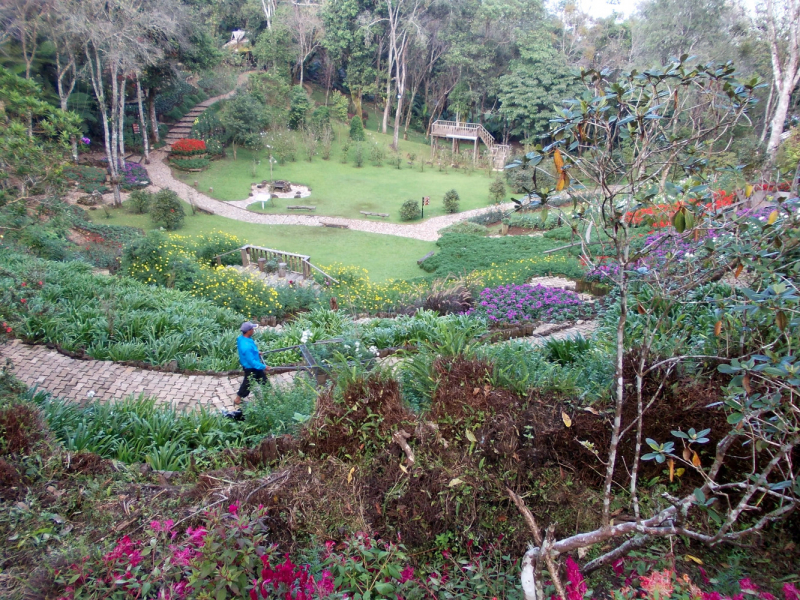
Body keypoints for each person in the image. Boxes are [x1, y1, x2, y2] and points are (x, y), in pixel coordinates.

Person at [234, 322, 270, 405]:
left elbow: (250, 351)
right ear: (248, 331)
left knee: (263, 380)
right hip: (251, 368)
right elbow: (251, 361)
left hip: (253, 365)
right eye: (252, 329)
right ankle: (237, 399)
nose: (254, 330)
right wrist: (264, 366)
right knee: (247, 384)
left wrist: (256, 352)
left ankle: (271, 395)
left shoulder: (241, 338)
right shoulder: (246, 346)